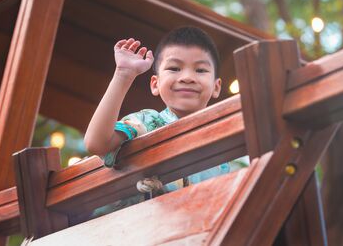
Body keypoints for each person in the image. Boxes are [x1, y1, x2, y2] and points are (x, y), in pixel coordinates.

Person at [84, 26, 233, 195]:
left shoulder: (220, 147)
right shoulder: (150, 121)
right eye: (174, 68)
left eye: (200, 70)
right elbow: (96, 143)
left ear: (216, 86)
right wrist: (123, 74)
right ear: (155, 84)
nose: (187, 78)